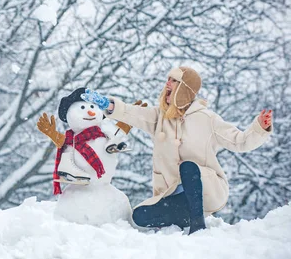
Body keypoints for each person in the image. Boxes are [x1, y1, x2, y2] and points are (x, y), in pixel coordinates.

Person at [92, 66, 273, 234]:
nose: (167, 83)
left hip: (207, 190)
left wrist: (258, 128)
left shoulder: (207, 118)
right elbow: (132, 113)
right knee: (140, 215)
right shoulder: (160, 117)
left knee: (188, 166)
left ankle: (197, 224)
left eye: (173, 80)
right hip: (173, 194)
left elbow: (240, 141)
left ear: (184, 88)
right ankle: (183, 218)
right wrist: (108, 105)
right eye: (167, 79)